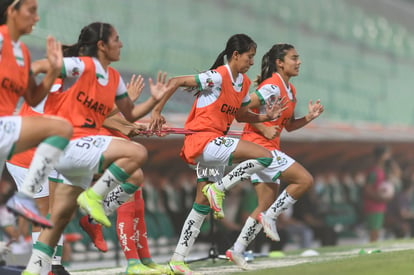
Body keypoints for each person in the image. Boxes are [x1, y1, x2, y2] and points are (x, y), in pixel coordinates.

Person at [22, 22, 168, 275]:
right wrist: (39, 72)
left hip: (79, 149)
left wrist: (154, 100)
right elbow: (40, 67)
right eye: (116, 39)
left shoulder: (113, 78)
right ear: (101, 45)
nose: (121, 44)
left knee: (58, 221)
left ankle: (33, 271)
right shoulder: (84, 65)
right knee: (136, 154)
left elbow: (130, 114)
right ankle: (94, 198)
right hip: (70, 142)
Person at [150, 33, 285, 274]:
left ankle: (177, 260)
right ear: (236, 55)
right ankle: (219, 189)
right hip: (203, 141)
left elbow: (241, 115)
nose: (252, 61)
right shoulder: (217, 76)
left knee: (201, 206)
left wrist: (265, 116)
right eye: (249, 56)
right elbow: (175, 81)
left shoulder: (242, 82)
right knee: (264, 156)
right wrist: (156, 112)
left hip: (215, 144)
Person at [224, 43, 324, 269]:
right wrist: (263, 127)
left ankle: (236, 250)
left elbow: (288, 126)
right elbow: (241, 112)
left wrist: (308, 117)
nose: (298, 62)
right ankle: (271, 217)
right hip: (259, 148)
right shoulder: (272, 87)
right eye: (294, 58)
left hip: (269, 148)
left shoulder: (290, 90)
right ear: (280, 62)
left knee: (264, 203)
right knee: (304, 180)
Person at [0, 0, 73, 228]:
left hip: (6, 127)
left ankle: (23, 199)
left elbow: (33, 97)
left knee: (61, 129)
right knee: (61, 128)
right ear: (11, 11)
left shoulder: (21, 51)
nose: (37, 17)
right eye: (31, 11)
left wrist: (52, 72)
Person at [363, 145, 400, 242]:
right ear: (381, 155)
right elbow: (367, 189)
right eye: (387, 154)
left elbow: (398, 173)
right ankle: (371, 252)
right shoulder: (373, 171)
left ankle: (373, 249)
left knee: (377, 231)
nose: (389, 156)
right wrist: (379, 198)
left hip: (381, 204)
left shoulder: (384, 170)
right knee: (374, 231)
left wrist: (392, 163)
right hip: (373, 205)